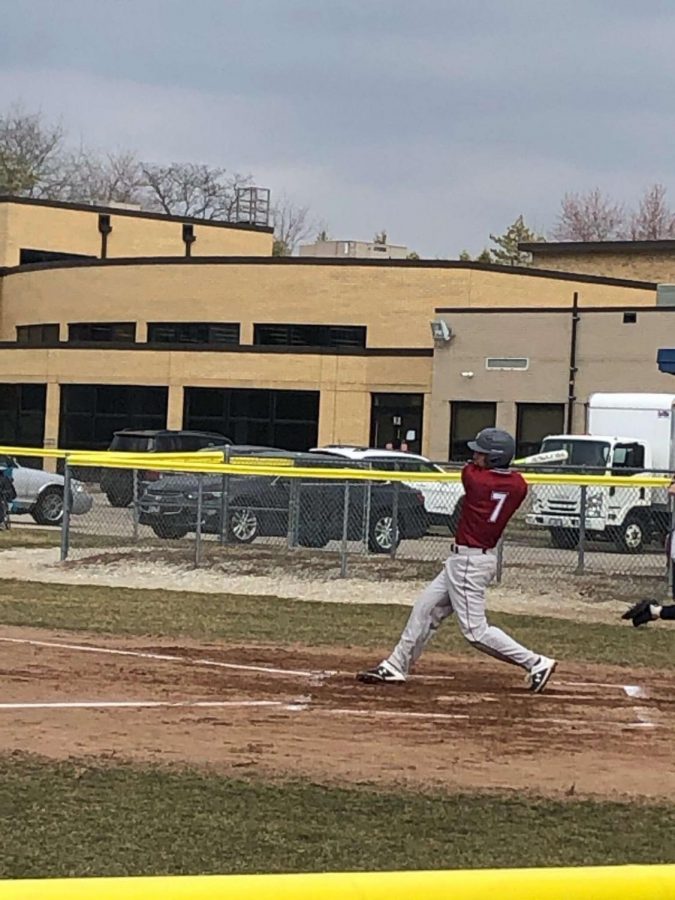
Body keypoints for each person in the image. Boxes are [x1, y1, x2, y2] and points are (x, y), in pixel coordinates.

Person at [357, 428, 557, 693]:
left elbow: (472, 471)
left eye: (481, 453)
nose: (475, 456)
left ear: (495, 458)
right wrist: (500, 468)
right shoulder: (517, 486)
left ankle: (535, 662)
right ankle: (396, 665)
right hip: (469, 560)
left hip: (469, 563)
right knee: (425, 610)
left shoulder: (476, 480)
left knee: (475, 631)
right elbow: (507, 480)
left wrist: (490, 466)